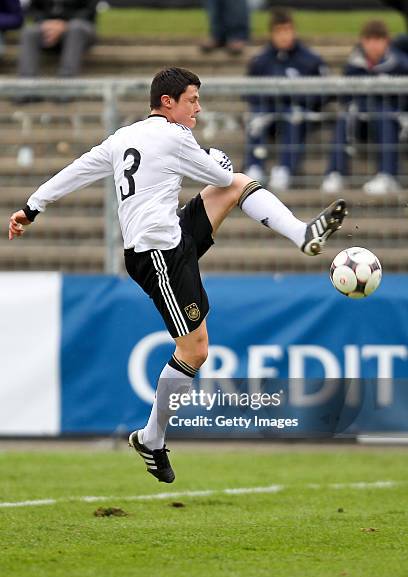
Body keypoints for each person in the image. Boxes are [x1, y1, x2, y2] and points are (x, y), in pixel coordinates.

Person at [8, 67, 347, 484]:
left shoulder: (122, 138)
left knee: (238, 186)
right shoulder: (173, 136)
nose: (198, 109)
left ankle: (302, 233)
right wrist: (217, 160)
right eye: (192, 100)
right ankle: (151, 439)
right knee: (195, 350)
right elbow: (218, 172)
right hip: (157, 256)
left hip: (172, 237)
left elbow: (77, 170)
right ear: (167, 102)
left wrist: (32, 206)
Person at [244, 8, 327, 191]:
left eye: (287, 30)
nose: (284, 36)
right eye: (279, 31)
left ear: (294, 31)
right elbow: (250, 93)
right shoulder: (260, 60)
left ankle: (285, 170)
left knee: (293, 115)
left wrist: (296, 98)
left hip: (299, 116)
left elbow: (323, 94)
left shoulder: (310, 59)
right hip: (269, 115)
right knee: (257, 116)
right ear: (272, 33)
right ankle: (254, 168)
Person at [321, 20, 408, 195]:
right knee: (345, 117)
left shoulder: (401, 64)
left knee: (384, 114)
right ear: (362, 41)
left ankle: (387, 174)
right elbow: (345, 96)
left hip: (392, 123)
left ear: (387, 41)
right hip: (361, 122)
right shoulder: (354, 65)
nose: (374, 45)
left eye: (378, 40)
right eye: (369, 40)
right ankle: (336, 173)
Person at [17, 0, 98, 78]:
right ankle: (27, 83)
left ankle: (67, 79)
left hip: (81, 26)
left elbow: (89, 10)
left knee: (75, 28)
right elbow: (34, 8)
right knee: (29, 32)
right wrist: (45, 23)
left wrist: (64, 24)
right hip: (48, 26)